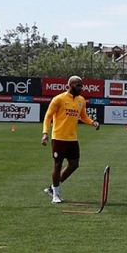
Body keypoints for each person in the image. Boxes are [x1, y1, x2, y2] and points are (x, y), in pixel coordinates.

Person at [41, 75, 100, 204]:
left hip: (72, 138)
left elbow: (83, 116)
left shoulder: (81, 100)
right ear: (70, 85)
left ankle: (52, 188)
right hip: (59, 137)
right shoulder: (59, 99)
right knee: (58, 164)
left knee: (74, 165)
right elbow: (48, 116)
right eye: (78, 85)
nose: (81, 88)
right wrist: (45, 133)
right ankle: (56, 194)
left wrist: (93, 123)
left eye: (81, 85)